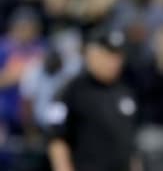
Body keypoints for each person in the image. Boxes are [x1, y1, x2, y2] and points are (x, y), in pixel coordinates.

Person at [46, 29, 138, 171]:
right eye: (108, 55)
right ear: (91, 55)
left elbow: (130, 146)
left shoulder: (125, 91)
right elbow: (57, 140)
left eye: (118, 56)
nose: (115, 62)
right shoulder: (70, 91)